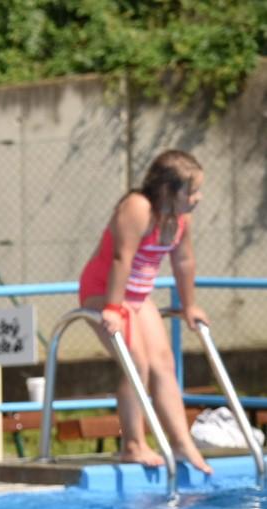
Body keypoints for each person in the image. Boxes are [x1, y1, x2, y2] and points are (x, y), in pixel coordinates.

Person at [77, 148, 211, 474]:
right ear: (167, 189)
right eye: (191, 191)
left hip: (137, 297)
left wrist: (189, 305)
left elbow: (183, 261)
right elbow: (121, 258)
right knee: (137, 362)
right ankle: (133, 444)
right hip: (103, 291)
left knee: (163, 363)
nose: (198, 198)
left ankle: (181, 443)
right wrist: (111, 307)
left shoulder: (180, 219)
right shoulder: (138, 208)